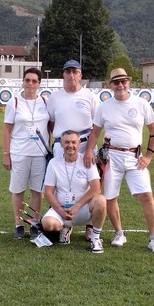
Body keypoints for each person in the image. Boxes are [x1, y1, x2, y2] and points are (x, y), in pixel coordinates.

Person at [83, 68, 154, 254]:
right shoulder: (104, 106)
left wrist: (148, 157)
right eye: (116, 82)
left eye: (123, 81)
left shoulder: (141, 104)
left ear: (128, 82)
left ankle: (153, 238)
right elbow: (95, 132)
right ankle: (119, 233)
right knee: (111, 197)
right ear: (110, 85)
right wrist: (89, 151)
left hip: (135, 157)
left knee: (146, 196)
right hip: (112, 156)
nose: (120, 85)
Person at [47, 59, 99, 241]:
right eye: (67, 71)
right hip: (62, 144)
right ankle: (65, 223)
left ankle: (90, 225)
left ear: (80, 75)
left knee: (88, 183)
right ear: (63, 75)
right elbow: (51, 123)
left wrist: (90, 149)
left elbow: (97, 126)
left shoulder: (90, 96)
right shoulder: (54, 97)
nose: (71, 75)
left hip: (86, 144)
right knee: (61, 183)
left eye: (74, 72)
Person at [2, 68, 50, 240]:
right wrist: (6, 154)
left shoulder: (45, 102)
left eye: (34, 81)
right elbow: (7, 129)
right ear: (23, 81)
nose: (30, 84)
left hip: (39, 155)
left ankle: (35, 223)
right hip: (19, 153)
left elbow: (50, 128)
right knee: (18, 190)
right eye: (27, 80)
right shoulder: (14, 102)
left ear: (39, 84)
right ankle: (19, 225)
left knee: (37, 191)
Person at [42, 130, 107, 253]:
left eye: (73, 142)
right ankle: (65, 227)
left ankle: (95, 238)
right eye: (66, 142)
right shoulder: (53, 163)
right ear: (61, 144)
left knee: (101, 200)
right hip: (62, 209)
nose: (70, 145)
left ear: (78, 144)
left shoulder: (87, 160)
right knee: (47, 224)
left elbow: (96, 188)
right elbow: (48, 192)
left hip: (83, 209)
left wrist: (77, 206)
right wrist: (60, 210)